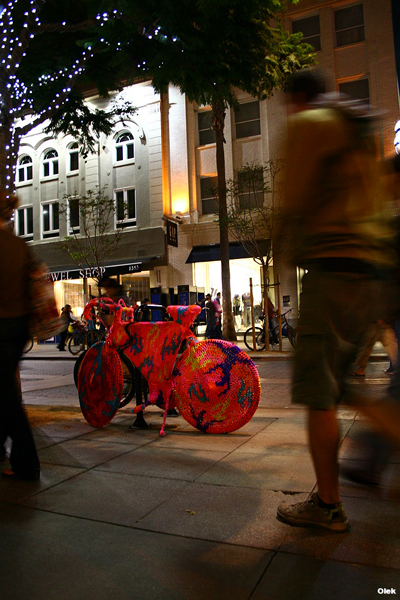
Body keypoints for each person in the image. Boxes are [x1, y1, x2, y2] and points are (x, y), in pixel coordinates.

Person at [275, 69, 400, 532]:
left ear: (296, 99)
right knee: (346, 387)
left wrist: (284, 250)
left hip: (332, 269)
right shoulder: (358, 127)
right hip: (370, 272)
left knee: (319, 393)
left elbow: (294, 199)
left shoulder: (310, 124)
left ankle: (328, 505)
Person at [0, 191, 40, 481]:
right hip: (18, 326)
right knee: (3, 391)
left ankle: (27, 462)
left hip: (1, 327)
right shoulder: (19, 245)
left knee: (7, 397)